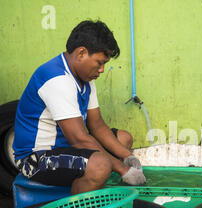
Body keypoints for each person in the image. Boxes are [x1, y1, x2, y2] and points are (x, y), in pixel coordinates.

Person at [12, 20, 146, 195]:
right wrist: (123, 170)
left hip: (66, 146)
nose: (102, 70)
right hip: (36, 158)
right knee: (100, 165)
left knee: (124, 139)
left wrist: (128, 158)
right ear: (81, 53)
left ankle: (94, 186)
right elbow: (80, 140)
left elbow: (97, 126)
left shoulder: (85, 78)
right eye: (99, 62)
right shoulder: (57, 79)